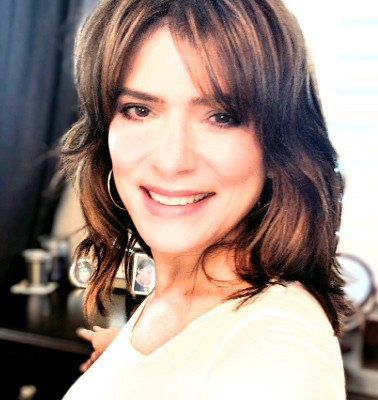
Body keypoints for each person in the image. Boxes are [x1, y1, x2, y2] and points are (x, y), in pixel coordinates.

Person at [61, 0, 350, 398]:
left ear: (278, 149)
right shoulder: (176, 299)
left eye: (221, 116)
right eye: (139, 110)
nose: (171, 161)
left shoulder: (276, 352)